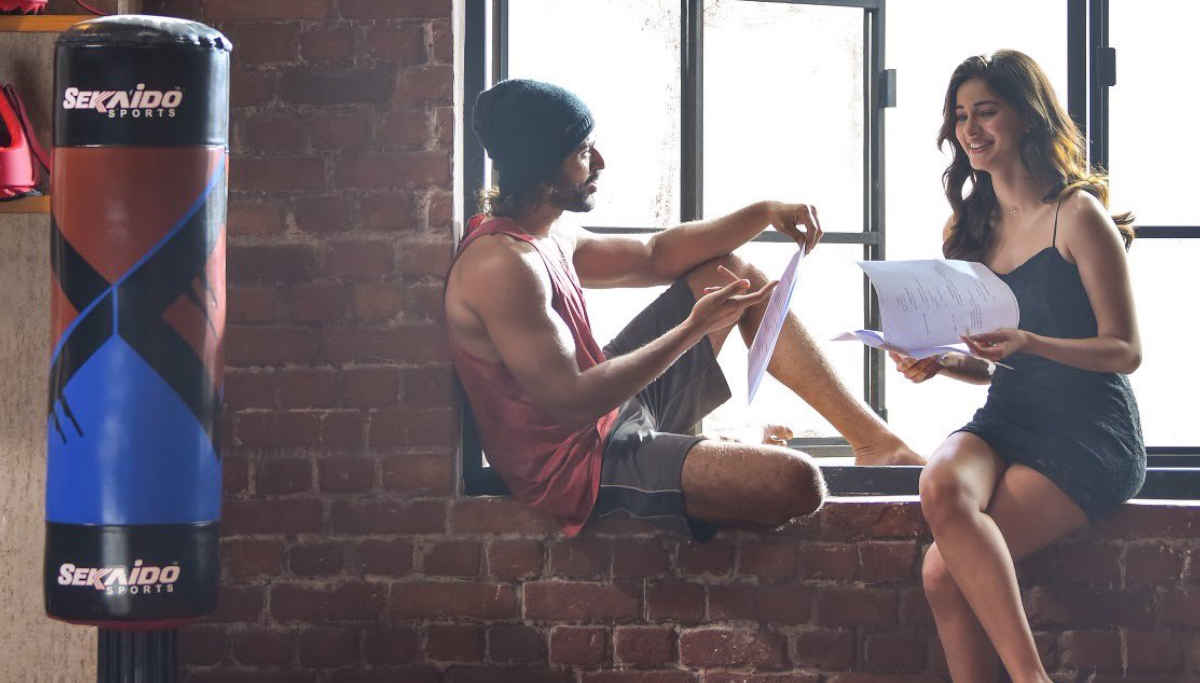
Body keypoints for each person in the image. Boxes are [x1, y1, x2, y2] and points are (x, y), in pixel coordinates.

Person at [445, 78, 923, 542]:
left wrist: (763, 213)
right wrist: (693, 329)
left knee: (728, 272)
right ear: (542, 167)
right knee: (797, 482)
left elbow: (656, 255)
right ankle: (724, 458)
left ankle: (877, 445)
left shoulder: (549, 233)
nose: (602, 162)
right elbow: (572, 400)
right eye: (584, 152)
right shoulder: (502, 265)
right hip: (578, 465)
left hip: (612, 413)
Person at [890, 51, 1145, 682]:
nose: (970, 130)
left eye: (986, 112)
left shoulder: (1077, 215)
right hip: (1009, 416)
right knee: (940, 483)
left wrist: (1032, 343)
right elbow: (993, 360)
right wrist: (946, 362)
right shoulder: (967, 231)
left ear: (1027, 119)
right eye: (960, 116)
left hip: (1089, 430)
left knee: (939, 572)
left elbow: (1125, 351)